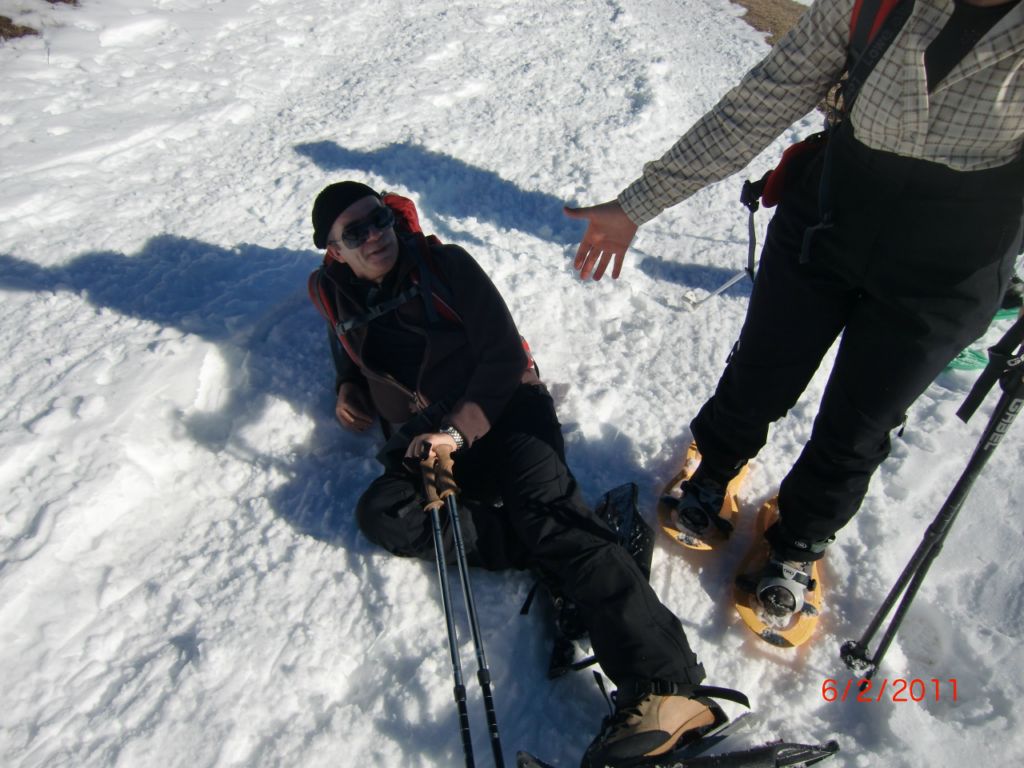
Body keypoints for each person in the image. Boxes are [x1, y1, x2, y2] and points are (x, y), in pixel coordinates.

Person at [565, 0, 1023, 623]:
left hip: (954, 263)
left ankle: (801, 539)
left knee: (861, 421)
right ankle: (716, 466)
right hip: (832, 215)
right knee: (764, 365)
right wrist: (635, 205)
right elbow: (762, 100)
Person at [307, 181, 745, 767]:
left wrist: (457, 430)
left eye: (379, 219)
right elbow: (346, 341)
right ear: (334, 250)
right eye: (355, 232)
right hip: (428, 445)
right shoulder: (330, 293)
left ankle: (667, 689)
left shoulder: (446, 265)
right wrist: (348, 385)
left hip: (507, 410)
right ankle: (569, 542)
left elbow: (505, 355)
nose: (374, 236)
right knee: (386, 515)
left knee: (551, 516)